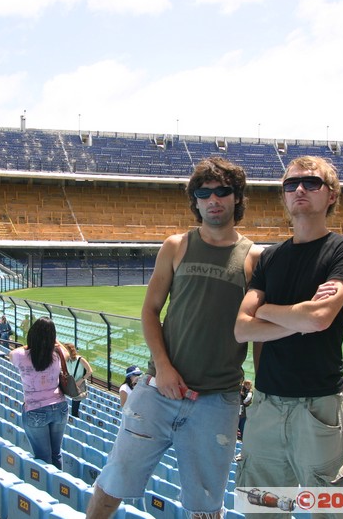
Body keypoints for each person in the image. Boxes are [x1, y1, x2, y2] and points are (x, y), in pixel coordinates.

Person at [87, 157, 261, 519]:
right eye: (204, 192)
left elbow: (257, 331)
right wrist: (163, 368)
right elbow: (150, 310)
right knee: (113, 482)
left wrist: (259, 390)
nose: (213, 199)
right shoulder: (176, 246)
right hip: (158, 389)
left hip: (218, 402)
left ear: (237, 198)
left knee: (206, 506)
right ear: (195, 201)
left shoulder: (254, 258)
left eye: (222, 191)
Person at [234, 156, 343, 515]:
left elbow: (321, 318)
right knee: (260, 511)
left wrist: (264, 310)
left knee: (337, 511)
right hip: (267, 405)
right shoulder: (270, 258)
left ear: (332, 195)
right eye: (291, 185)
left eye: (311, 183)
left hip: (319, 406)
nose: (300, 190)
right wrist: (300, 316)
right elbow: (241, 327)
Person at [9, 317, 69, 469]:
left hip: (35, 409)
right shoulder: (56, 354)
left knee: (43, 458)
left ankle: (48, 488)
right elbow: (67, 353)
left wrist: (35, 342)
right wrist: (53, 341)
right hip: (60, 406)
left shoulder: (21, 356)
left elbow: (12, 353)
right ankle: (58, 486)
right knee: (56, 453)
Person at [63, 343, 93, 417]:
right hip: (71, 383)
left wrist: (81, 380)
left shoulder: (80, 359)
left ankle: (74, 416)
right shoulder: (66, 360)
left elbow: (90, 371)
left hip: (79, 383)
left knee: (76, 401)